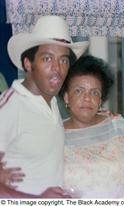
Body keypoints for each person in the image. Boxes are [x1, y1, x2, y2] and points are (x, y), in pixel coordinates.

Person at [0, 15, 88, 197]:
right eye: (47, 59)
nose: (57, 68)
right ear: (28, 64)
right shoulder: (11, 105)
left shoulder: (52, 102)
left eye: (63, 60)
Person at [60, 55, 124, 198]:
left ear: (100, 100)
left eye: (94, 92)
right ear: (66, 97)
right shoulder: (53, 135)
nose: (87, 98)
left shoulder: (117, 127)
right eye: (79, 91)